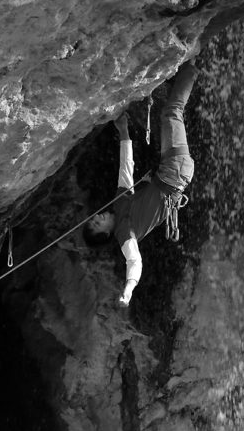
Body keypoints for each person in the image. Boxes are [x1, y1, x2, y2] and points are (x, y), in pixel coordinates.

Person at [84, 60, 199, 307]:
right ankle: (192, 63)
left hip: (172, 173)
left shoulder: (120, 204)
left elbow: (126, 169)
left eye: (94, 218)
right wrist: (128, 290)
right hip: (174, 173)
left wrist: (124, 132)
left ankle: (188, 68)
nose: (98, 216)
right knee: (172, 112)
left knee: (169, 114)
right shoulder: (125, 234)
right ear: (105, 234)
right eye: (97, 223)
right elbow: (134, 262)